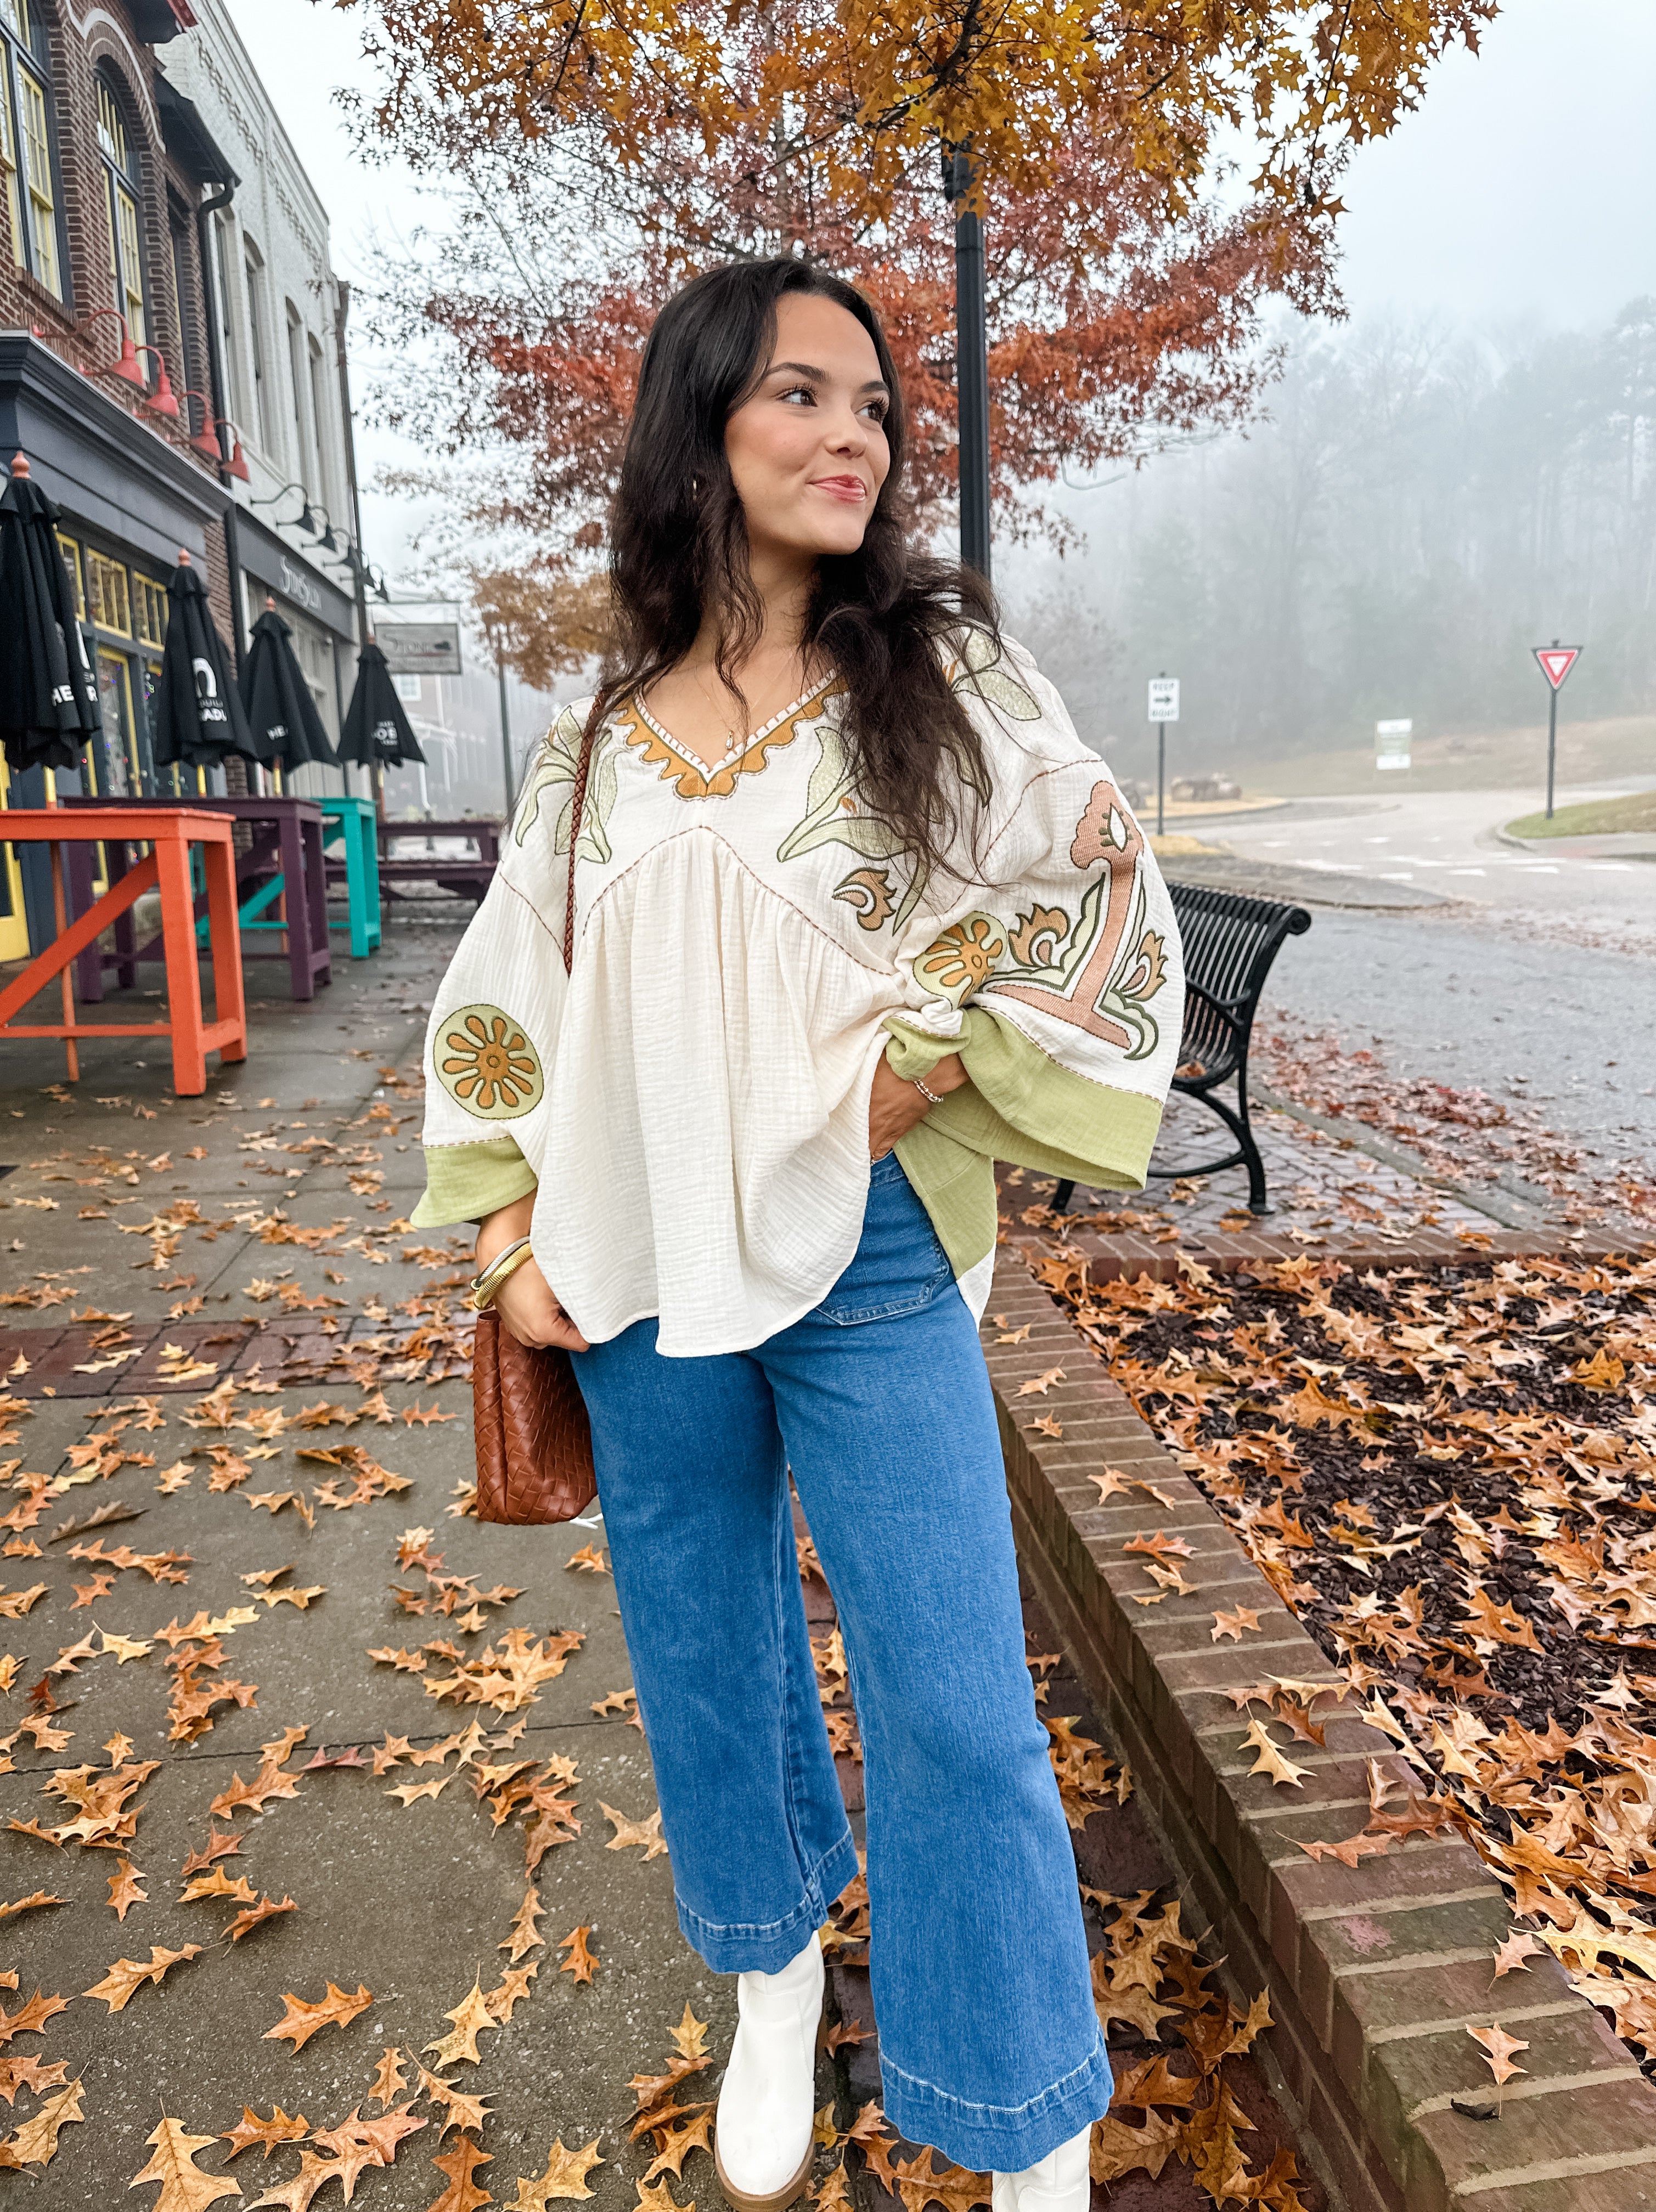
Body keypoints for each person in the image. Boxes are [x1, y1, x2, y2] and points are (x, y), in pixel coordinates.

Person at [414, 256, 1184, 2212]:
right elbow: (515, 992)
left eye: (873, 407)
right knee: (704, 1647)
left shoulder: (943, 679)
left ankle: (1025, 2124)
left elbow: (1088, 877)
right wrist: (507, 1234)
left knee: (955, 1693)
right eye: (801, 396)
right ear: (701, 427)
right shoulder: (593, 752)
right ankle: (772, 1977)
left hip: (869, 1254)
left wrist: (924, 1063)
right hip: (639, 1257)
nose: (853, 434)